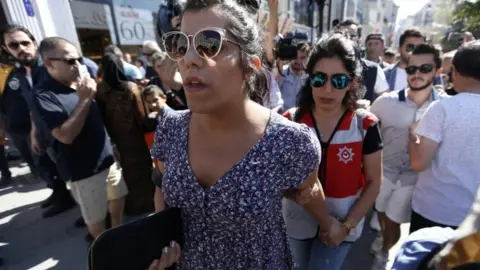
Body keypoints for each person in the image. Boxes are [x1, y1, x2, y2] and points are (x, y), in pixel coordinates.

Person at [147, 0, 334, 268]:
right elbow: (161, 188)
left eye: (209, 44)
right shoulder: (170, 127)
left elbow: (308, 190)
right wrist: (160, 244)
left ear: (250, 66)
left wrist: (330, 226)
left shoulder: (291, 142)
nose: (189, 59)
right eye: (180, 44)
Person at [282, 33, 383, 270]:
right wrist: (292, 192)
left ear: (351, 82)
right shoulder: (291, 120)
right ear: (310, 79)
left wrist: (345, 227)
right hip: (296, 223)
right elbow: (277, 178)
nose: (327, 89)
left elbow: (374, 183)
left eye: (338, 81)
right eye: (319, 78)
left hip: (341, 227)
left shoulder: (365, 125)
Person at [33, 37, 128, 239]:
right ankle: (104, 254)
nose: (77, 65)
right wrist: (85, 99)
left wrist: (112, 146)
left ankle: (119, 238)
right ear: (49, 63)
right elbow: (65, 136)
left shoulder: (79, 83)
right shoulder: (44, 94)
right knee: (96, 220)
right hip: (84, 172)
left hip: (108, 160)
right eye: (70, 61)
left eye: (79, 59)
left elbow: (97, 120)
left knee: (118, 199)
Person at [369, 44, 446, 270]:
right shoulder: (385, 102)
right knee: (381, 213)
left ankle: (384, 252)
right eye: (412, 69)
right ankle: (383, 239)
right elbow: (367, 131)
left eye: (425, 68)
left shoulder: (444, 107)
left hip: (415, 178)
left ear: (437, 71)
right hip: (384, 172)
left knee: (395, 220)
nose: (417, 74)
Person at [0, 24, 76, 217]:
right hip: (41, 130)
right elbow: (33, 106)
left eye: (25, 43)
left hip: (64, 128)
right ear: (6, 49)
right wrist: (34, 133)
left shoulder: (50, 67)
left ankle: (90, 213)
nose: (21, 48)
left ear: (34, 43)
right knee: (46, 166)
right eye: (14, 45)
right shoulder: (19, 73)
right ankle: (60, 194)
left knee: (74, 171)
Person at [408, 40, 480, 234]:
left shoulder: (442, 108)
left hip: (433, 212)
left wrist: (412, 136)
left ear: (454, 71)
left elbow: (418, 163)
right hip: (473, 220)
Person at [96, 52, 155, 215]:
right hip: (134, 137)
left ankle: (129, 205)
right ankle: (146, 203)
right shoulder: (130, 88)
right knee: (141, 171)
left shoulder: (100, 89)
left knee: (124, 173)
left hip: (116, 139)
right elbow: (141, 115)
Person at [336, 20, 390, 102]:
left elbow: (387, 102)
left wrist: (367, 110)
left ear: (359, 41)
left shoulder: (373, 70)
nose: (346, 40)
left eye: (351, 36)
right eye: (341, 36)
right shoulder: (323, 66)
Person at [278, 40, 310, 110]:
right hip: (284, 117)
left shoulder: (310, 77)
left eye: (302, 58)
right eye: (295, 57)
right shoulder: (281, 72)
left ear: (307, 58)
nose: (298, 61)